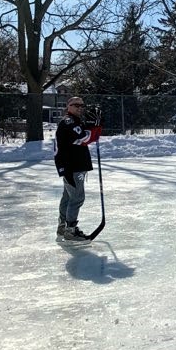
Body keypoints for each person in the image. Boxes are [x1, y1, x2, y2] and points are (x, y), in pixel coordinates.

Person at [54, 97, 102, 242]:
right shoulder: (69, 122)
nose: (80, 108)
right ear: (68, 106)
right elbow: (83, 138)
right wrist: (97, 128)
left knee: (68, 197)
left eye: (82, 105)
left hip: (72, 166)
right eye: (76, 105)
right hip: (73, 166)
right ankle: (70, 230)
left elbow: (81, 138)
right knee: (77, 197)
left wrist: (93, 126)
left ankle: (62, 227)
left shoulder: (75, 121)